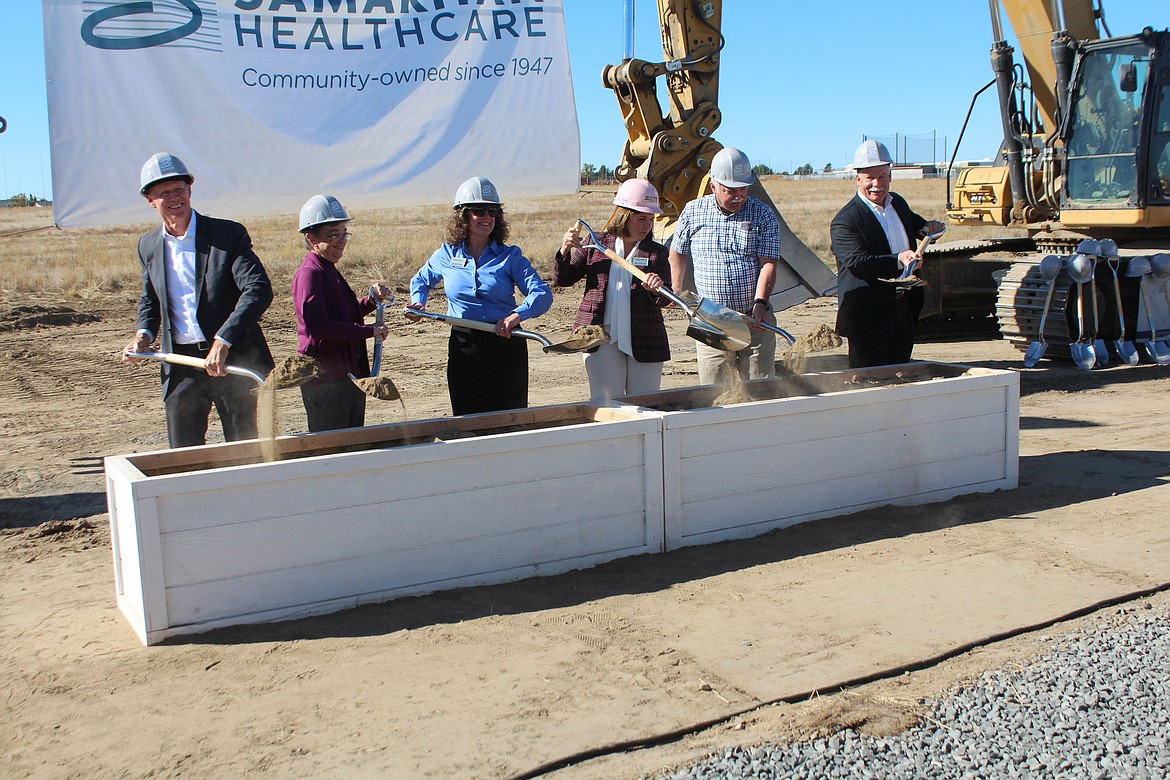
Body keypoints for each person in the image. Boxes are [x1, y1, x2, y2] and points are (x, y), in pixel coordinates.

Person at [123, 152, 274, 448]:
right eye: (164, 192)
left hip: (230, 359)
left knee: (243, 449)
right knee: (182, 452)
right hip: (180, 364)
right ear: (150, 200)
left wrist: (224, 340)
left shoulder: (226, 234)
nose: (174, 197)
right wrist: (143, 334)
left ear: (190, 190)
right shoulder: (148, 246)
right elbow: (150, 299)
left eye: (179, 188)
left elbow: (257, 289)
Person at [405, 176, 552, 415]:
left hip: (505, 343)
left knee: (508, 422)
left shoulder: (510, 257)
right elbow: (421, 280)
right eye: (478, 210)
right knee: (467, 421)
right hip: (465, 345)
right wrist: (418, 302)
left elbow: (542, 293)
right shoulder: (445, 254)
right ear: (462, 215)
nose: (487, 216)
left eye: (493, 211)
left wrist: (516, 316)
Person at [668, 146, 783, 385]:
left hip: (754, 319)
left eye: (743, 189)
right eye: (730, 190)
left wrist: (760, 303)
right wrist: (677, 289)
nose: (738, 196)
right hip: (711, 319)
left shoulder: (763, 214)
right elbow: (677, 252)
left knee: (760, 389)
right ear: (713, 186)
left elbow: (768, 264)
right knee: (715, 390)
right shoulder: (693, 212)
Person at [830, 140, 945, 368]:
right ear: (858, 178)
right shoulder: (846, 221)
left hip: (902, 306)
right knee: (868, 380)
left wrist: (926, 228)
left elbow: (913, 223)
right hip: (867, 313)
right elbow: (858, 263)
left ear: (890, 176)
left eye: (882, 176)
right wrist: (899, 259)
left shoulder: (897, 203)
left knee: (900, 370)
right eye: (869, 178)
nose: (876, 184)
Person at [554, 179, 671, 400]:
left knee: (644, 405)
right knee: (606, 404)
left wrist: (657, 289)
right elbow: (563, 279)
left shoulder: (656, 252)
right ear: (623, 215)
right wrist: (565, 249)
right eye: (641, 218)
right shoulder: (595, 243)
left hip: (645, 340)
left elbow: (666, 297)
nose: (647, 225)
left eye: (650, 219)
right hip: (600, 338)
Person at [291, 194, 393, 432]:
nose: (341, 240)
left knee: (350, 444)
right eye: (332, 234)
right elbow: (320, 327)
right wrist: (369, 331)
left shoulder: (328, 269)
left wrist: (370, 301)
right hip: (325, 381)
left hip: (346, 377)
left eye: (343, 232)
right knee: (333, 449)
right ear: (311, 237)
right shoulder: (310, 274)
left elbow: (342, 317)